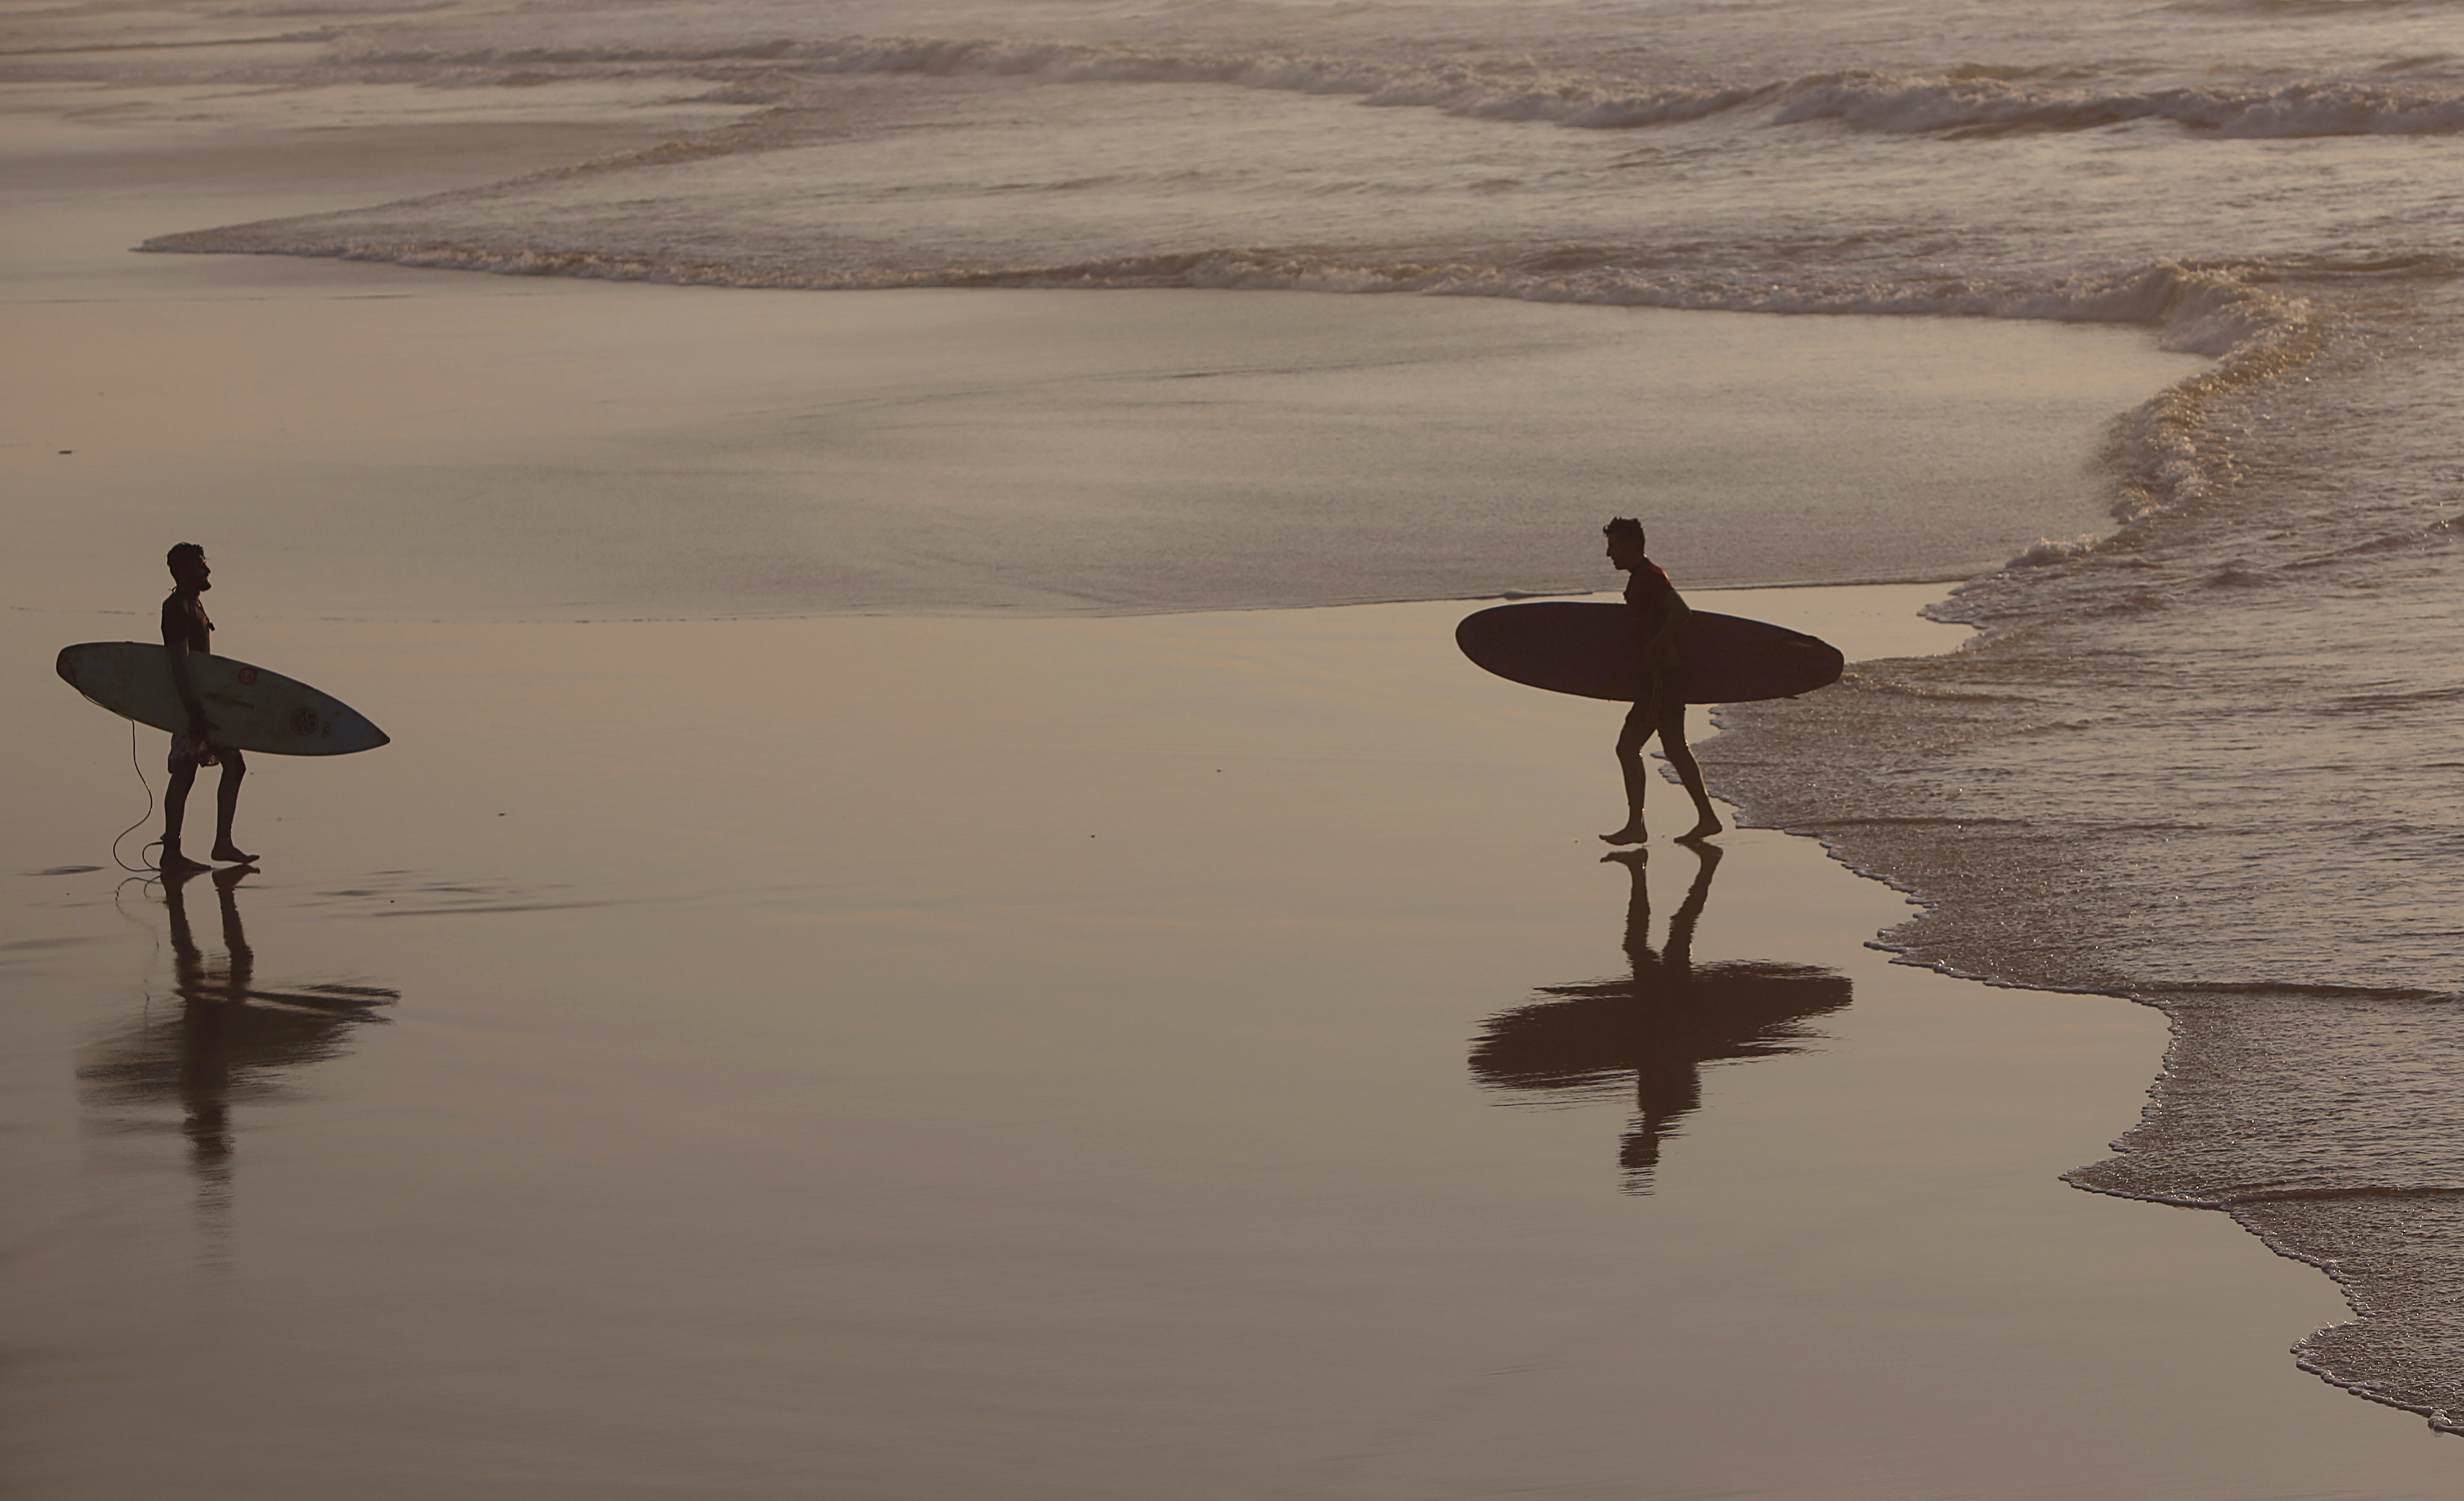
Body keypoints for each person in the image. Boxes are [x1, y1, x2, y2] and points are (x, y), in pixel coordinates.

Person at [1599, 517, 1722, 846]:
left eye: (1613, 547)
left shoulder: (1651, 578)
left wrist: (1654, 647)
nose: (1609, 555)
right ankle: (1708, 818)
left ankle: (1636, 825)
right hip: (1667, 677)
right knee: (1676, 749)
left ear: (1631, 547)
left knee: (1627, 747)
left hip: (1662, 679)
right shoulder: (1642, 578)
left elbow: (1682, 612)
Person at [158, 543, 255, 872]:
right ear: (183, 572)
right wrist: (194, 713)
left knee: (232, 765)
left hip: (206, 707)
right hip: (192, 708)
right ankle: (172, 851)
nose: (208, 571)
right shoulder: (176, 609)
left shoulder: (193, 605)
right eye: (201, 566)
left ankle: (221, 843)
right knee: (185, 773)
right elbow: (179, 665)